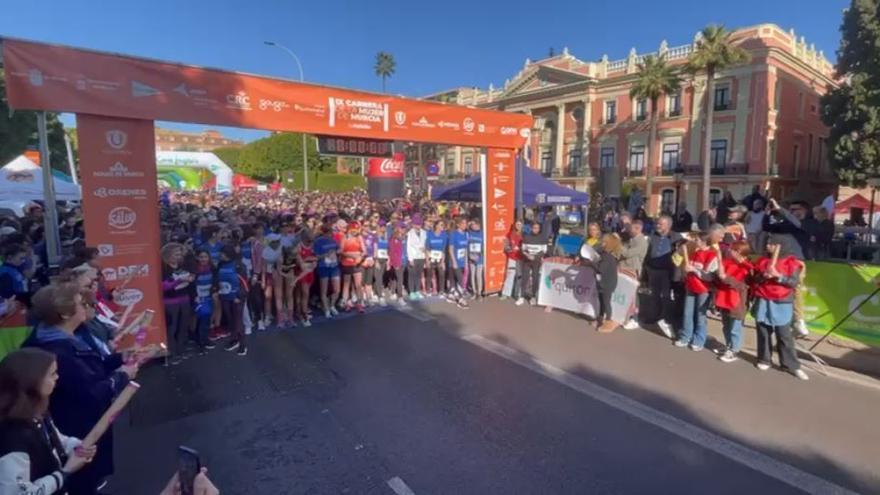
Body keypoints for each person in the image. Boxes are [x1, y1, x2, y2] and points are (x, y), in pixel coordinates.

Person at [23, 283, 137, 495]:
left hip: (79, 429)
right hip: (78, 431)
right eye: (82, 303)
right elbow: (90, 394)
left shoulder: (63, 337)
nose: (88, 306)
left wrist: (118, 359)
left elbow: (92, 368)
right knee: (83, 483)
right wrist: (122, 376)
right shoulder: (58, 352)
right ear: (65, 313)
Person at [0, 348, 97, 495]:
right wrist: (64, 473)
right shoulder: (13, 436)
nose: (57, 377)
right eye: (52, 374)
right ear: (31, 381)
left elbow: (53, 439)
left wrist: (75, 446)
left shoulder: (36, 410)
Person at [751, 234, 809, 380]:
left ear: (780, 246)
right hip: (763, 299)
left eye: (771, 244)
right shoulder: (763, 261)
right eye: (768, 243)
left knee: (784, 335)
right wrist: (763, 276)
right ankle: (764, 359)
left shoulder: (792, 263)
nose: (767, 246)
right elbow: (753, 280)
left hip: (782, 301)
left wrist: (778, 276)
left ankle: (791, 365)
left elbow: (794, 283)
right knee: (763, 331)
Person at [675, 231, 719, 351]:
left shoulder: (712, 255)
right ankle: (685, 337)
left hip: (703, 288)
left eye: (698, 240)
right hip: (690, 285)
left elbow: (709, 276)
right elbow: (687, 266)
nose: (696, 242)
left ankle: (699, 340)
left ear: (704, 241)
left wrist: (694, 270)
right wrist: (686, 270)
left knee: (700, 315)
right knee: (687, 313)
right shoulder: (696, 252)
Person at [644, 215, 683, 338]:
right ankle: (653, 316)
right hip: (653, 270)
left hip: (667, 272)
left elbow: (680, 255)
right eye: (657, 223)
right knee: (654, 295)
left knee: (666, 296)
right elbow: (648, 251)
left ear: (668, 225)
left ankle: (665, 318)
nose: (658, 226)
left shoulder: (676, 237)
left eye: (661, 224)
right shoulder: (653, 236)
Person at [714, 240, 752, 363]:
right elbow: (719, 277)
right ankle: (728, 345)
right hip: (724, 298)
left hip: (737, 302)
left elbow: (742, 286)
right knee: (726, 325)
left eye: (735, 250)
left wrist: (726, 278)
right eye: (732, 249)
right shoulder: (727, 262)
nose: (731, 252)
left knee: (735, 328)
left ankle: (734, 350)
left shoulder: (747, 268)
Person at [161, 243, 194, 365]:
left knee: (183, 325)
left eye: (180, 254)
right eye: (176, 254)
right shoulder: (163, 268)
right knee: (172, 328)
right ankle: (171, 353)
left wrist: (189, 278)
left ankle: (181, 349)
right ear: (167, 255)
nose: (179, 256)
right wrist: (180, 280)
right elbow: (164, 287)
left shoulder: (182, 265)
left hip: (184, 298)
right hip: (170, 302)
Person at [217, 246, 247, 356]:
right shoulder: (220, 265)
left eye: (222, 253)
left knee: (238, 321)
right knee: (230, 320)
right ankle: (234, 340)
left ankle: (243, 344)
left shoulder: (238, 265)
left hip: (236, 298)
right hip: (225, 297)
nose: (220, 255)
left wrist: (239, 296)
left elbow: (244, 283)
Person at [619, 220, 648, 330]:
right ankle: (625, 316)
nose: (629, 230)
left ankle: (634, 318)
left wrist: (618, 244)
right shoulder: (630, 239)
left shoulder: (642, 241)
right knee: (625, 294)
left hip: (633, 270)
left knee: (633, 296)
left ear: (638, 229)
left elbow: (627, 253)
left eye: (631, 228)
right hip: (624, 268)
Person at [592, 234, 622, 333]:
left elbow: (601, 269)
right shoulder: (603, 253)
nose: (602, 243)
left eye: (604, 242)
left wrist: (592, 263)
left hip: (607, 283)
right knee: (601, 301)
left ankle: (609, 321)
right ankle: (600, 318)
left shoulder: (608, 257)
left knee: (606, 302)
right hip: (602, 282)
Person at [193, 249, 218, 352]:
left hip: (208, 297)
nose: (203, 259)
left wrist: (214, 291)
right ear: (198, 258)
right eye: (201, 257)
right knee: (202, 319)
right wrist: (195, 296)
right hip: (198, 298)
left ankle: (204, 339)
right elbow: (191, 284)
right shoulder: (194, 269)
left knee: (207, 319)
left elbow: (215, 281)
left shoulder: (212, 268)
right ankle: (201, 343)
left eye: (205, 257)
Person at [313, 225, 342, 318]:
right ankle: (326, 309)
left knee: (337, 290)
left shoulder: (333, 240)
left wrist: (338, 252)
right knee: (324, 291)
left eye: (332, 232)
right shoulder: (318, 241)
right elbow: (316, 256)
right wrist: (325, 254)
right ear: (325, 232)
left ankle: (332, 305)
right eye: (330, 231)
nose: (331, 233)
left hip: (334, 266)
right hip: (323, 267)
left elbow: (339, 249)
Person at [518, 221, 548, 306]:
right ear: (531, 228)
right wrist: (527, 255)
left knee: (535, 278)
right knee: (525, 278)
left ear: (539, 229)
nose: (536, 229)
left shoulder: (543, 238)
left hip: (536, 261)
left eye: (537, 228)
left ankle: (533, 297)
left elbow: (544, 250)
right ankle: (521, 297)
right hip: (527, 261)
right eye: (534, 228)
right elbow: (523, 249)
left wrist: (535, 257)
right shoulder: (527, 237)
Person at [340, 222, 366, 313]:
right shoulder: (345, 238)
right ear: (350, 229)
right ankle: (346, 303)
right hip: (347, 263)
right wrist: (352, 256)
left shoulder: (359, 237)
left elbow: (364, 251)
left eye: (357, 230)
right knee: (346, 285)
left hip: (356, 264)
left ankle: (360, 303)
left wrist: (361, 257)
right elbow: (341, 251)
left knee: (358, 285)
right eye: (354, 230)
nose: (356, 232)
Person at [446, 218, 469, 308]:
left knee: (454, 280)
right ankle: (461, 300)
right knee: (460, 280)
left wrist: (466, 261)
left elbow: (465, 249)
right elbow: (450, 249)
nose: (465, 225)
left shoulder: (465, 235)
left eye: (465, 223)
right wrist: (454, 262)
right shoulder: (453, 234)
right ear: (458, 225)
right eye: (463, 223)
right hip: (454, 261)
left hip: (462, 261)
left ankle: (450, 296)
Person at [406, 217, 427, 301]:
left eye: (420, 224)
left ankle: (417, 290)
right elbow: (408, 246)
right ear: (413, 224)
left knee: (418, 275)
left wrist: (425, 250)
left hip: (421, 256)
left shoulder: (424, 232)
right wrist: (410, 259)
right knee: (412, 275)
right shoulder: (410, 233)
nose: (419, 225)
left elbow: (426, 243)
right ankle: (411, 292)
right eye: (417, 224)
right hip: (413, 257)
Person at [502, 220, 523, 301]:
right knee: (510, 275)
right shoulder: (510, 234)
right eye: (517, 224)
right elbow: (506, 245)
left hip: (521, 258)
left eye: (520, 224)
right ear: (514, 225)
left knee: (519, 276)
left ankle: (517, 293)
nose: (518, 226)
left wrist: (521, 249)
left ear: (522, 226)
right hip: (512, 258)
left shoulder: (524, 235)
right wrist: (509, 249)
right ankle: (506, 293)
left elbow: (527, 246)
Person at [426, 220, 448, 297]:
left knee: (441, 274)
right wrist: (427, 260)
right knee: (429, 274)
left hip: (440, 258)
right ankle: (428, 290)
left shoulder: (444, 235)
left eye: (443, 225)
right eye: (441, 225)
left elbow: (444, 249)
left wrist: (443, 262)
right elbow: (427, 248)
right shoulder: (430, 234)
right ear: (436, 226)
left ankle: (441, 291)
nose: (443, 226)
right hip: (431, 257)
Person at [467, 219, 484, 300]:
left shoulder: (482, 233)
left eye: (473, 224)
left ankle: (479, 293)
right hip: (471, 257)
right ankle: (474, 292)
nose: (472, 226)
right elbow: (467, 245)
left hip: (479, 257)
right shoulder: (469, 233)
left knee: (478, 275)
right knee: (472, 275)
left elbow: (484, 246)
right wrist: (470, 255)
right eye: (471, 225)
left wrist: (480, 254)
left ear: (478, 225)